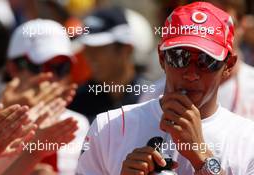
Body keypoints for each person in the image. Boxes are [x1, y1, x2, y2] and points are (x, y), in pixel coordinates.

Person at [76, 2, 254, 175]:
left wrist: (202, 157)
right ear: (162, 58)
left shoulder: (248, 140)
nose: (191, 74)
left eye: (206, 60)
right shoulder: (109, 126)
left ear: (229, 65)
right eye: (179, 57)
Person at [3, 19, 89, 175]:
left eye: (61, 67)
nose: (51, 77)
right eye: (40, 67)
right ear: (13, 68)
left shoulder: (79, 125)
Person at [68, 6, 150, 123]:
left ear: (126, 49)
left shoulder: (153, 98)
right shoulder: (76, 103)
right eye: (87, 49)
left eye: (99, 48)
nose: (89, 57)